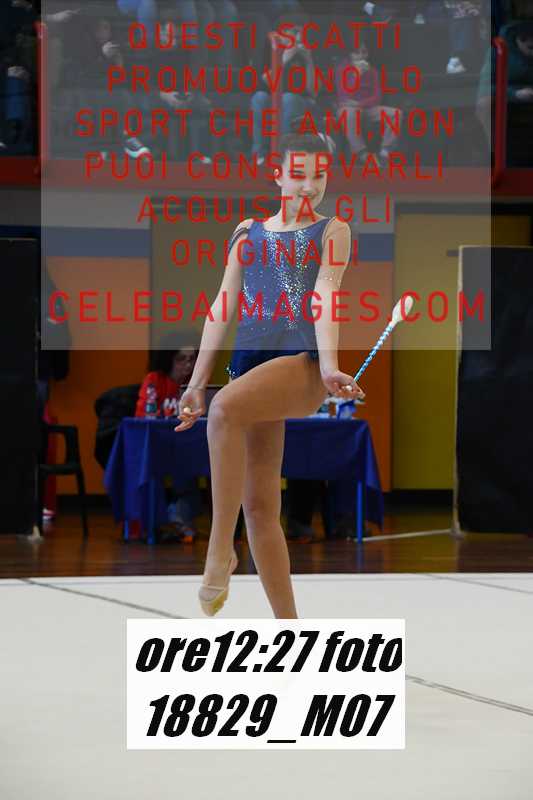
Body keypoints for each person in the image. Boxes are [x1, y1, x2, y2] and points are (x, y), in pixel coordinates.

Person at [174, 132, 365, 619]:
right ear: (276, 174)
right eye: (298, 174)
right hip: (252, 367)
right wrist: (195, 382)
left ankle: (219, 550)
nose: (309, 186)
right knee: (260, 508)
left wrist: (328, 365)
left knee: (223, 408)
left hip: (301, 363)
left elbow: (326, 293)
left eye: (319, 176)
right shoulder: (247, 232)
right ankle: (290, 630)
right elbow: (223, 304)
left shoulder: (332, 230)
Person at [136, 332, 202, 542]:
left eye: (191, 359)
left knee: (190, 468)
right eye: (181, 359)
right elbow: (144, 417)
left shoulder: (196, 385)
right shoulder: (154, 380)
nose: (188, 365)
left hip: (187, 449)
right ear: (169, 359)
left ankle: (180, 520)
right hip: (156, 448)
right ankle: (166, 522)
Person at [335, 43, 402, 164]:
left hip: (368, 107)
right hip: (348, 108)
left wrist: (360, 104)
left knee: (396, 114)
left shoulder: (372, 71)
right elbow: (344, 95)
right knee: (349, 115)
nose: (361, 56)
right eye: (357, 53)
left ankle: (385, 152)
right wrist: (357, 74)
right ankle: (362, 153)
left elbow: (377, 97)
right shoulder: (342, 69)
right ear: (351, 55)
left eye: (364, 52)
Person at [476, 21, 533, 152]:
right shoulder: (497, 51)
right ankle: (492, 151)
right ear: (519, 40)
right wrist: (515, 94)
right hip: (506, 93)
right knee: (484, 103)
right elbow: (485, 88)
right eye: (531, 48)